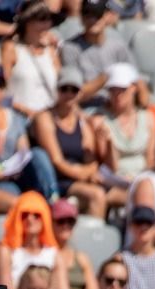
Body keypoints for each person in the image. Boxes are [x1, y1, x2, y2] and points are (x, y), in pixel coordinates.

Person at [32, 67, 110, 218]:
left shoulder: (82, 121)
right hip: (57, 181)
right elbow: (57, 160)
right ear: (57, 90)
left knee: (123, 195)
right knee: (97, 195)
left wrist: (88, 172)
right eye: (64, 89)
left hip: (80, 177)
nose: (69, 94)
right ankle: (94, 238)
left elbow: (91, 157)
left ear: (80, 93)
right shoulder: (45, 118)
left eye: (73, 90)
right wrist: (84, 175)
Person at [0, 63, 58, 204]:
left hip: (14, 173)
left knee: (38, 154)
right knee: (14, 193)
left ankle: (53, 198)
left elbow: (23, 151)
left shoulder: (14, 117)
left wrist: (14, 169)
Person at [63, 0, 135, 106]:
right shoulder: (70, 48)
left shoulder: (118, 45)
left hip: (117, 107)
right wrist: (106, 77)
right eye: (88, 15)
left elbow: (135, 80)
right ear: (81, 17)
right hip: (88, 108)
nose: (93, 20)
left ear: (107, 16)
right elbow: (73, 95)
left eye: (97, 15)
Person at [95, 63, 152, 189]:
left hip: (143, 181)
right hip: (114, 183)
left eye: (122, 89)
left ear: (133, 88)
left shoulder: (148, 118)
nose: (117, 95)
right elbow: (110, 166)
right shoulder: (100, 121)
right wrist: (110, 143)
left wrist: (142, 182)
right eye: (112, 90)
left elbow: (150, 159)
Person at [0, 189, 59, 289]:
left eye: (36, 215)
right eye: (24, 214)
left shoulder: (54, 254)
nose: (30, 219)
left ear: (45, 218)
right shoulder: (6, 252)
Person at [3, 0, 59, 120]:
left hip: (50, 120)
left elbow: (60, 89)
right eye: (41, 19)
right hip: (21, 118)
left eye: (48, 19)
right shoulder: (11, 48)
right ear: (26, 22)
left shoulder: (51, 51)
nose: (46, 25)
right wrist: (28, 112)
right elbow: (2, 91)